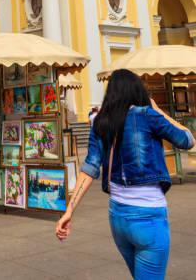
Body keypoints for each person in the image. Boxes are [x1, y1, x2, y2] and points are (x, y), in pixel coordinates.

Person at [56, 69, 195, 280]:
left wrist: (69, 210)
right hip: (148, 216)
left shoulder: (100, 122)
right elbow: (187, 140)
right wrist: (158, 110)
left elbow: (89, 168)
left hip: (118, 218)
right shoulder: (148, 115)